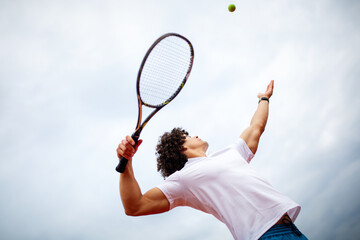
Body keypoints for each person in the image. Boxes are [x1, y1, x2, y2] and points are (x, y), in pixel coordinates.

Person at [116, 80, 308, 240]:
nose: (196, 135)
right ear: (181, 147)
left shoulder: (231, 152)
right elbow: (135, 205)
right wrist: (127, 162)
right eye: (188, 135)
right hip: (264, 236)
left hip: (291, 229)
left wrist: (264, 99)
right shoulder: (184, 179)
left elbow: (256, 127)